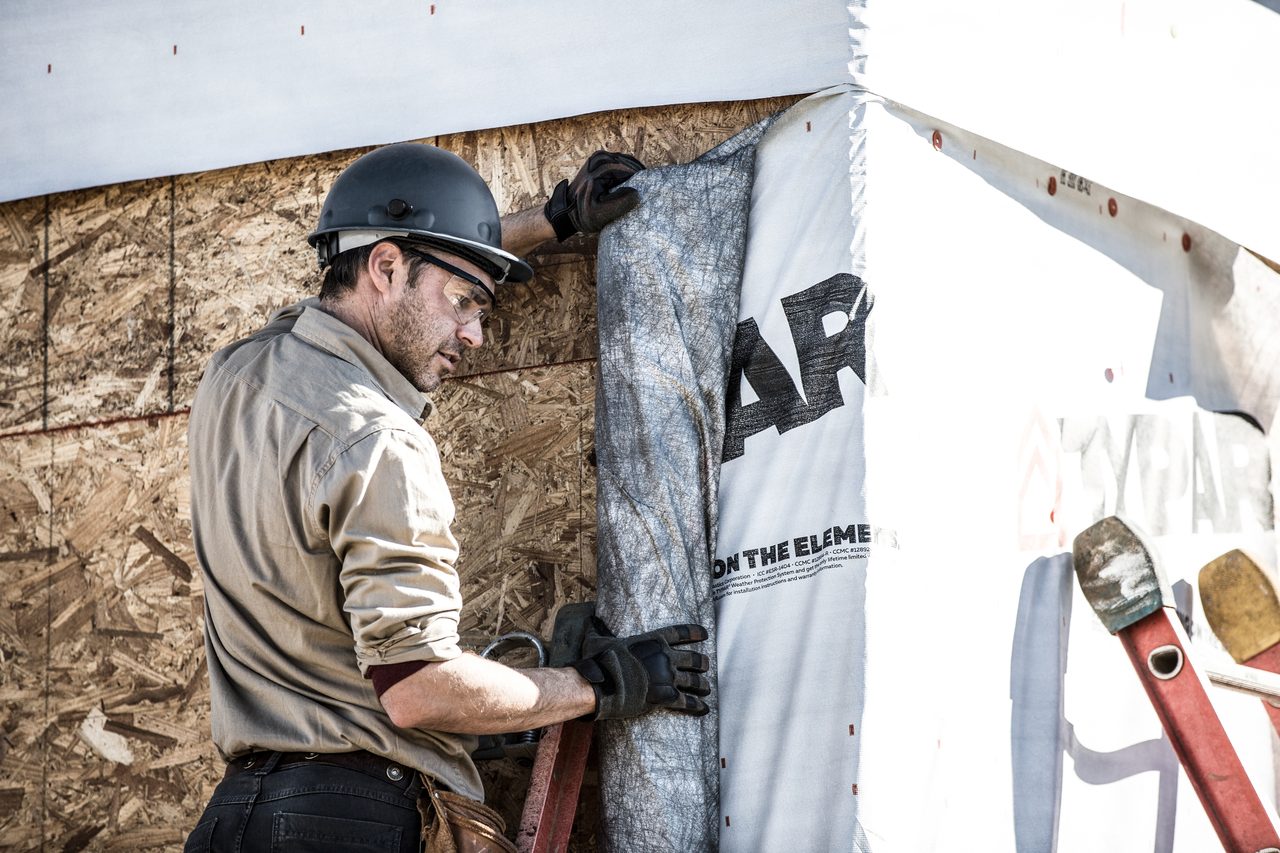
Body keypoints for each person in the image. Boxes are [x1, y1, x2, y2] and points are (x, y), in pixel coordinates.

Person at [183, 143, 711, 852]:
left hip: (231, 821)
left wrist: (553, 220)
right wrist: (599, 685)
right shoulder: (378, 439)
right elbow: (418, 688)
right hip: (355, 822)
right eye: (463, 302)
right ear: (386, 267)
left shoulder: (236, 375)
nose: (476, 333)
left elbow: (364, 275)